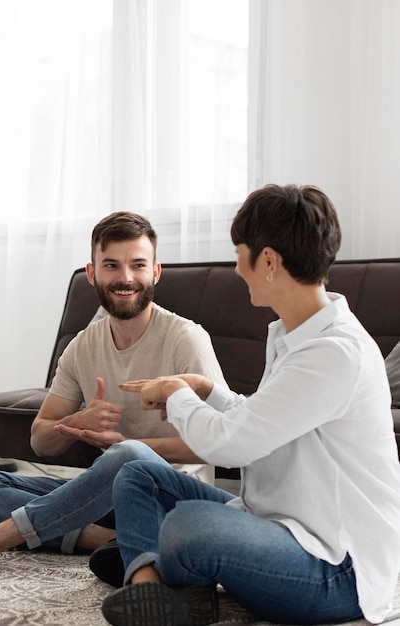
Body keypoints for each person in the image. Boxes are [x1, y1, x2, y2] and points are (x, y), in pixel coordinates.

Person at [97, 185, 400, 626]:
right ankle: (151, 585)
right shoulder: (295, 336)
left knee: (188, 525)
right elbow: (265, 421)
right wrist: (207, 390)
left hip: (338, 570)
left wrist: (176, 394)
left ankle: (149, 560)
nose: (238, 267)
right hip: (277, 523)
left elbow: (230, 446)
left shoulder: (335, 352)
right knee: (138, 474)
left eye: (242, 254)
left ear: (270, 261)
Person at [0, 210, 227, 570]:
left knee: (127, 457)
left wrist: (126, 447)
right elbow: (40, 441)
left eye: (138, 265)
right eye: (111, 266)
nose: (126, 278)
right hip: (104, 503)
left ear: (155, 272)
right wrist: (77, 421)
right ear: (92, 274)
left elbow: (222, 441)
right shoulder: (82, 346)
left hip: (170, 500)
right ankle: (102, 540)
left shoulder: (185, 339)